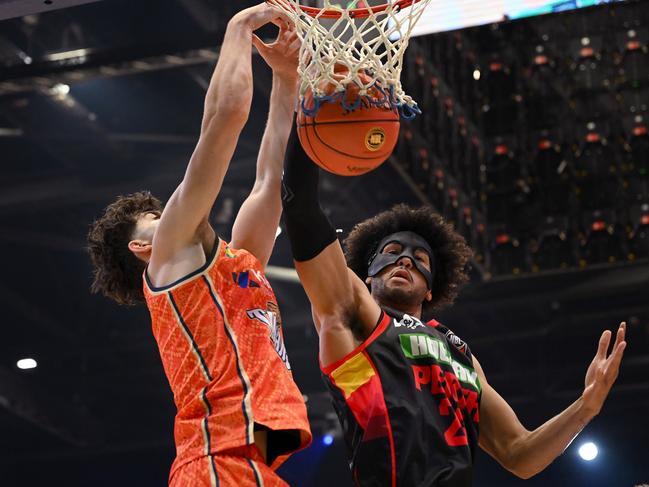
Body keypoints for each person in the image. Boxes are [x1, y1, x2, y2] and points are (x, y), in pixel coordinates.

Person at [281, 127, 627, 486]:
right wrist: (307, 116)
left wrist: (585, 408)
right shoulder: (353, 313)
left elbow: (520, 453)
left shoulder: (461, 355)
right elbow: (300, 207)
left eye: (419, 259)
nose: (405, 262)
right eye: (391, 253)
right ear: (366, 276)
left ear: (430, 290)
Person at [87, 5, 311, 486]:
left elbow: (271, 178)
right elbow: (226, 116)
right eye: (156, 218)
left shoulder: (236, 266)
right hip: (214, 459)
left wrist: (288, 78)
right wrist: (240, 27)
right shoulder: (170, 257)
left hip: (254, 459)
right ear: (142, 248)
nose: (168, 216)